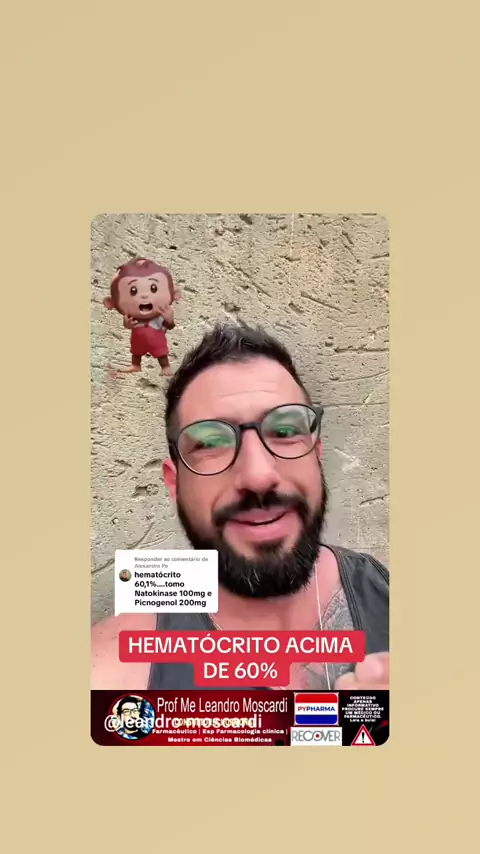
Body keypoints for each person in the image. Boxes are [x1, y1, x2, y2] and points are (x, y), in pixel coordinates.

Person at [92, 323, 389, 691]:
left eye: (285, 431)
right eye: (210, 443)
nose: (258, 475)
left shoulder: (385, 594)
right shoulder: (113, 675)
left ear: (316, 453)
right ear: (175, 482)